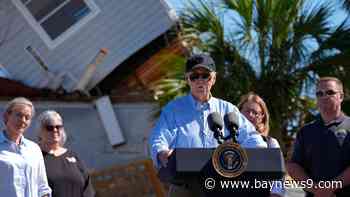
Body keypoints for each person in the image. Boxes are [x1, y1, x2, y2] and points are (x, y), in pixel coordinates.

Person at [149, 54, 267, 196]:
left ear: (214, 79)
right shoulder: (173, 109)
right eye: (194, 76)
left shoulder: (228, 109)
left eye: (205, 76)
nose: (200, 80)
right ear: (187, 79)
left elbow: (253, 139)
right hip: (184, 187)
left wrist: (252, 155)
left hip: (221, 187)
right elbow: (158, 138)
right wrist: (161, 152)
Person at [288, 77, 350, 197]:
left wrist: (330, 188)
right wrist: (316, 189)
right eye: (319, 94)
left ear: (341, 96)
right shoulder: (305, 131)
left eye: (330, 92)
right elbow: (293, 166)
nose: (324, 97)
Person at [0, 97, 51, 197]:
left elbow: (43, 187)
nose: (23, 120)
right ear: (6, 116)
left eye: (27, 117)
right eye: (19, 115)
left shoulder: (34, 149)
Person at [36, 110, 95, 197]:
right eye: (49, 127)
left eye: (58, 127)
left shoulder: (72, 155)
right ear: (40, 131)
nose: (55, 130)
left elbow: (87, 186)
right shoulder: (35, 156)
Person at [238, 92, 285, 197]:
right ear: (239, 112)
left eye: (255, 112)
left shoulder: (270, 143)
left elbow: (278, 180)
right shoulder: (226, 142)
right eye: (247, 111)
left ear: (262, 117)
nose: (250, 115)